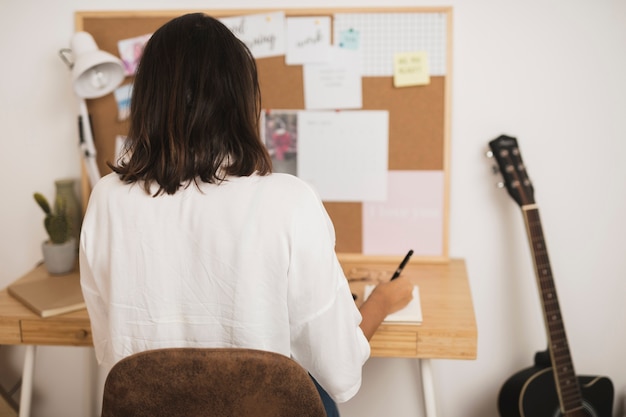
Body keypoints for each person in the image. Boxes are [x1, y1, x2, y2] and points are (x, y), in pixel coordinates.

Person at [79, 13, 414, 416]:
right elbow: (340, 373)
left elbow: (115, 349)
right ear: (241, 102)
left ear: (147, 98)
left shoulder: (106, 200)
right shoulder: (289, 201)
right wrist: (379, 301)